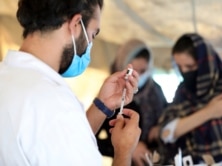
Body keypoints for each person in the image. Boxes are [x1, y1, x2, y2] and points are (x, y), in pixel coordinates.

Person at [0, 0, 141, 165]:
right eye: (93, 34)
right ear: (75, 24)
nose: (90, 44)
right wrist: (124, 151)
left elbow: (57, 141)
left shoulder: (7, 76)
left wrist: (103, 104)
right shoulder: (55, 104)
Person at [148, 33, 222, 166]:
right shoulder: (183, 92)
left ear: (204, 63)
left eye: (190, 67)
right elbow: (166, 133)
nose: (184, 71)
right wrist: (210, 111)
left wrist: (186, 123)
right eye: (179, 67)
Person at [96, 39, 168, 166]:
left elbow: (168, 117)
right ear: (123, 66)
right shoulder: (113, 93)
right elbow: (93, 138)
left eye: (143, 71)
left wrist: (161, 128)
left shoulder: (155, 91)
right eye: (133, 71)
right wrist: (128, 149)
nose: (138, 76)